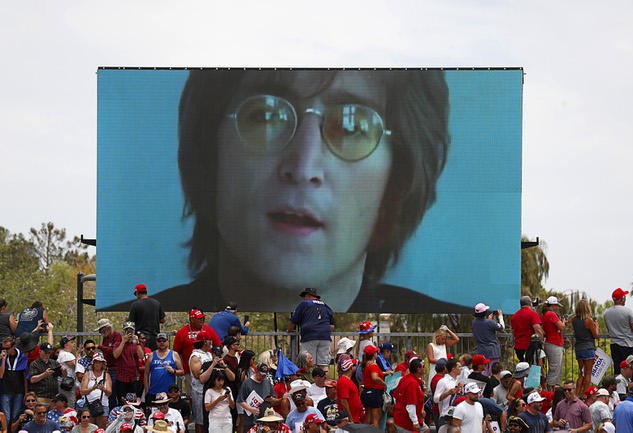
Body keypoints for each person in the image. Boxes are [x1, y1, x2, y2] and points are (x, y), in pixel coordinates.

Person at [130, 69, 473, 315]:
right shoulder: (142, 320)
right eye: (266, 115)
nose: (304, 167)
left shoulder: (461, 324)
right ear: (209, 152)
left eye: (352, 127)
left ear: (396, 181)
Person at [287, 288, 334, 369]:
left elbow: (292, 321)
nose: (304, 299)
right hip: (325, 337)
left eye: (304, 296)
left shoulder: (305, 304)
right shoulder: (326, 306)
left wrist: (289, 330)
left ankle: (309, 381)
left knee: (308, 363)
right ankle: (325, 381)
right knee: (324, 364)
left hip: (310, 336)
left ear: (308, 296)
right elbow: (332, 326)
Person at [603, 288, 633, 375]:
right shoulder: (628, 311)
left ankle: (617, 387)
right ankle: (629, 387)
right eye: (624, 297)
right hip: (627, 344)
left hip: (614, 344)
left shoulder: (606, 313)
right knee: (630, 369)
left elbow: (608, 329)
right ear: (622, 299)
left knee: (617, 369)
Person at [143, 333, 183, 408]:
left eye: (164, 340)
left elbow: (182, 371)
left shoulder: (174, 354)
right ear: (156, 342)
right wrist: (146, 389)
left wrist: (173, 371)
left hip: (169, 392)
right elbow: (146, 373)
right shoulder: (151, 355)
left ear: (167, 341)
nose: (162, 343)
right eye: (159, 341)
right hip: (153, 391)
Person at [237, 363, 281, 432]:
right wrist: (250, 409)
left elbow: (274, 398)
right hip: (250, 419)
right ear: (256, 371)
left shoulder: (267, 382)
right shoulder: (247, 382)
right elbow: (240, 400)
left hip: (266, 418)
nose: (263, 376)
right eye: (261, 374)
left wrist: (272, 399)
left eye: (264, 375)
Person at [571, 299, 598, 397]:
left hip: (579, 348)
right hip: (588, 347)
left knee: (581, 373)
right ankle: (586, 395)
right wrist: (596, 327)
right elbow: (595, 335)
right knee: (588, 373)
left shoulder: (573, 320)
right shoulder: (588, 320)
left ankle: (577, 395)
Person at [393, 358, 427, 433]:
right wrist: (415, 422)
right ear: (418, 369)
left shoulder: (406, 379)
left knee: (426, 430)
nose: (425, 368)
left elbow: (396, 397)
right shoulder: (412, 384)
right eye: (423, 366)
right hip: (406, 420)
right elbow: (410, 405)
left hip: (404, 417)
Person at [128, 283, 166, 351]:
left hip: (141, 338)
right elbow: (162, 320)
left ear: (137, 293)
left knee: (142, 358)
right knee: (153, 358)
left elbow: (131, 323)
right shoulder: (157, 303)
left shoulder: (135, 305)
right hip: (155, 337)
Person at [113, 321, 144, 403]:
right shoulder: (118, 343)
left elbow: (141, 356)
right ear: (124, 332)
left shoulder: (137, 344)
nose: (129, 333)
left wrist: (137, 343)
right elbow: (115, 355)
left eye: (131, 331)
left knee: (134, 401)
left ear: (134, 331)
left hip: (134, 377)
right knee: (121, 401)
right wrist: (123, 342)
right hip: (122, 378)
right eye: (127, 331)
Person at [0, 336, 29, 424]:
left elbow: (25, 375)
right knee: (6, 417)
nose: (5, 350)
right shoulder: (2, 357)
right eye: (3, 348)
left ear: (13, 347)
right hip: (5, 390)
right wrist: (4, 360)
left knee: (15, 416)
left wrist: (26, 392)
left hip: (18, 391)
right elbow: (1, 375)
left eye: (7, 348)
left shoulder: (21, 357)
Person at [540, 296, 567, 388]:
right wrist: (563, 322)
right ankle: (550, 388)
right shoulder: (551, 314)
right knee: (555, 368)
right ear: (553, 305)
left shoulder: (544, 314)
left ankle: (553, 388)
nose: (557, 307)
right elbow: (561, 327)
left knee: (556, 368)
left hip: (551, 342)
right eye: (556, 305)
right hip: (554, 343)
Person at [471, 303, 505, 374]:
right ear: (485, 312)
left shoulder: (474, 323)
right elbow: (502, 327)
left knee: (483, 372)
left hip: (481, 351)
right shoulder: (489, 322)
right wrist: (500, 316)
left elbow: (484, 326)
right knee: (495, 372)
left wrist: (489, 320)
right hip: (493, 351)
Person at [81, 353, 112, 429]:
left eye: (100, 362)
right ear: (93, 363)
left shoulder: (106, 375)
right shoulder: (87, 374)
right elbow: (83, 391)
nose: (98, 364)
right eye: (96, 362)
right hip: (89, 404)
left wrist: (103, 389)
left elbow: (109, 392)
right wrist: (92, 388)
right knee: (88, 427)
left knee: (101, 428)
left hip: (102, 404)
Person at [96, 318, 122, 409]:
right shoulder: (105, 338)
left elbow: (113, 351)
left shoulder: (117, 336)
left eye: (101, 330)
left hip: (116, 368)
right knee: (110, 391)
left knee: (114, 390)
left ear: (106, 328)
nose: (100, 332)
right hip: (109, 368)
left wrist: (100, 347)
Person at [360, 345, 386, 427]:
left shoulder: (365, 365)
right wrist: (384, 384)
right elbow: (374, 377)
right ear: (373, 354)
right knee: (375, 419)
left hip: (366, 392)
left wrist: (385, 373)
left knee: (368, 418)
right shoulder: (374, 365)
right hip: (374, 393)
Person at [511, 296, 544, 361]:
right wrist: (541, 343)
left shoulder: (514, 316)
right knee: (533, 367)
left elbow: (513, 331)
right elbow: (538, 329)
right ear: (530, 304)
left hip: (519, 346)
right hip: (531, 346)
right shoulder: (533, 314)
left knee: (523, 366)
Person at [426, 325, 459, 390]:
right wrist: (442, 361)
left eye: (445, 339)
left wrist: (447, 330)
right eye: (442, 339)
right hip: (436, 368)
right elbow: (430, 359)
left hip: (444, 369)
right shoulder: (431, 345)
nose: (444, 341)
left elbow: (456, 339)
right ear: (437, 337)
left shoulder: (444, 345)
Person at [434, 357, 462, 429]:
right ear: (453, 369)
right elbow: (435, 398)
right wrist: (448, 393)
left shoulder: (459, 381)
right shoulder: (443, 381)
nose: (461, 368)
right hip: (446, 415)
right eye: (459, 366)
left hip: (457, 415)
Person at [336, 356, 362, 424]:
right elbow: (343, 401)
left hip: (354, 417)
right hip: (349, 420)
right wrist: (350, 417)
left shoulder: (347, 380)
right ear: (351, 368)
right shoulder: (343, 382)